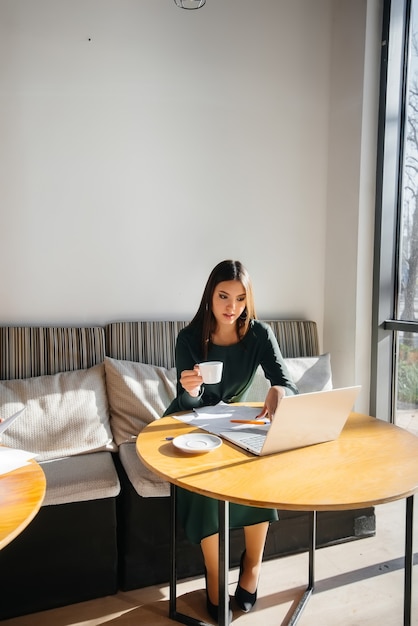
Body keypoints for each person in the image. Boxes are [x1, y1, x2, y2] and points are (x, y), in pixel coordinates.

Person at [164, 259, 298, 623]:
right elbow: (188, 402)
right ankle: (215, 574)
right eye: (224, 296)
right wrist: (189, 389)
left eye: (240, 299)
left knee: (259, 475)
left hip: (233, 420)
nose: (231, 307)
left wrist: (278, 391)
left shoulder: (258, 334)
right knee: (205, 486)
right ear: (210, 295)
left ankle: (251, 566)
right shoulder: (188, 338)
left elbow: (288, 383)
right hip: (189, 421)